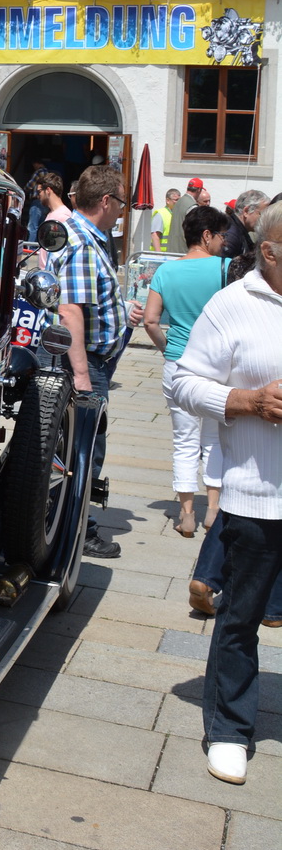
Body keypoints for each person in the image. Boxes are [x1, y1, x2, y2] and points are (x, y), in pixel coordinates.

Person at [171, 200, 282, 785]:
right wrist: (250, 402)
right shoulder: (233, 304)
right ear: (269, 252)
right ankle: (232, 728)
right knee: (240, 617)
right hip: (258, 493)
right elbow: (185, 380)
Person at [54, 163, 130, 559]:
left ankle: (69, 521)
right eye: (122, 201)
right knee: (84, 450)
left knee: (75, 447)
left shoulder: (87, 237)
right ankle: (79, 531)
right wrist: (82, 374)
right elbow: (70, 311)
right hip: (87, 368)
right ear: (106, 201)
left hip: (97, 363)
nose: (123, 209)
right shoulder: (82, 242)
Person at [143, 206, 232, 536]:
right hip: (216, 364)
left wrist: (169, 349)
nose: (224, 242)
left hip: (178, 364)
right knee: (213, 440)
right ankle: (212, 510)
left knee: (184, 441)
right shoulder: (226, 269)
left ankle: (186, 515)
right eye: (221, 236)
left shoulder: (165, 272)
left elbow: (151, 322)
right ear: (207, 236)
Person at [221, 189, 266, 260]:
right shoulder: (231, 235)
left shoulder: (238, 230)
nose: (264, 219)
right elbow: (223, 267)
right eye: (262, 214)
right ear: (246, 211)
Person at [165, 177, 205, 254]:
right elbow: (194, 230)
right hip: (183, 251)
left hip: (171, 249)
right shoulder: (192, 206)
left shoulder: (179, 202)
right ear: (199, 190)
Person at [23, 160, 48, 244]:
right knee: (41, 226)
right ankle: (38, 247)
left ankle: (30, 247)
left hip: (36, 201)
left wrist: (24, 190)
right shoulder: (48, 173)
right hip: (45, 202)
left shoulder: (39, 172)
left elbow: (30, 185)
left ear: (38, 163)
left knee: (32, 226)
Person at [151, 188, 180, 253]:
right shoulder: (160, 214)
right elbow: (155, 235)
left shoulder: (177, 214)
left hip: (173, 254)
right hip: (163, 255)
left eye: (179, 200)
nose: (178, 202)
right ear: (168, 200)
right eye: (176, 200)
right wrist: (159, 255)